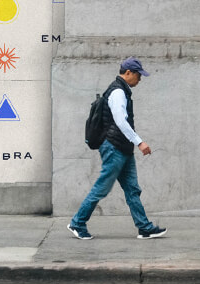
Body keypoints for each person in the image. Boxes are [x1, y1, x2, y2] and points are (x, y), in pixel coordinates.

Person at [68, 58, 167, 240]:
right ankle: (77, 222)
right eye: (138, 75)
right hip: (114, 146)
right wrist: (139, 142)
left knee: (132, 189)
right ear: (128, 72)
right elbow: (120, 121)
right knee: (102, 187)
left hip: (122, 147)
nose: (140, 79)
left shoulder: (121, 91)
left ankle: (144, 227)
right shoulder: (118, 92)